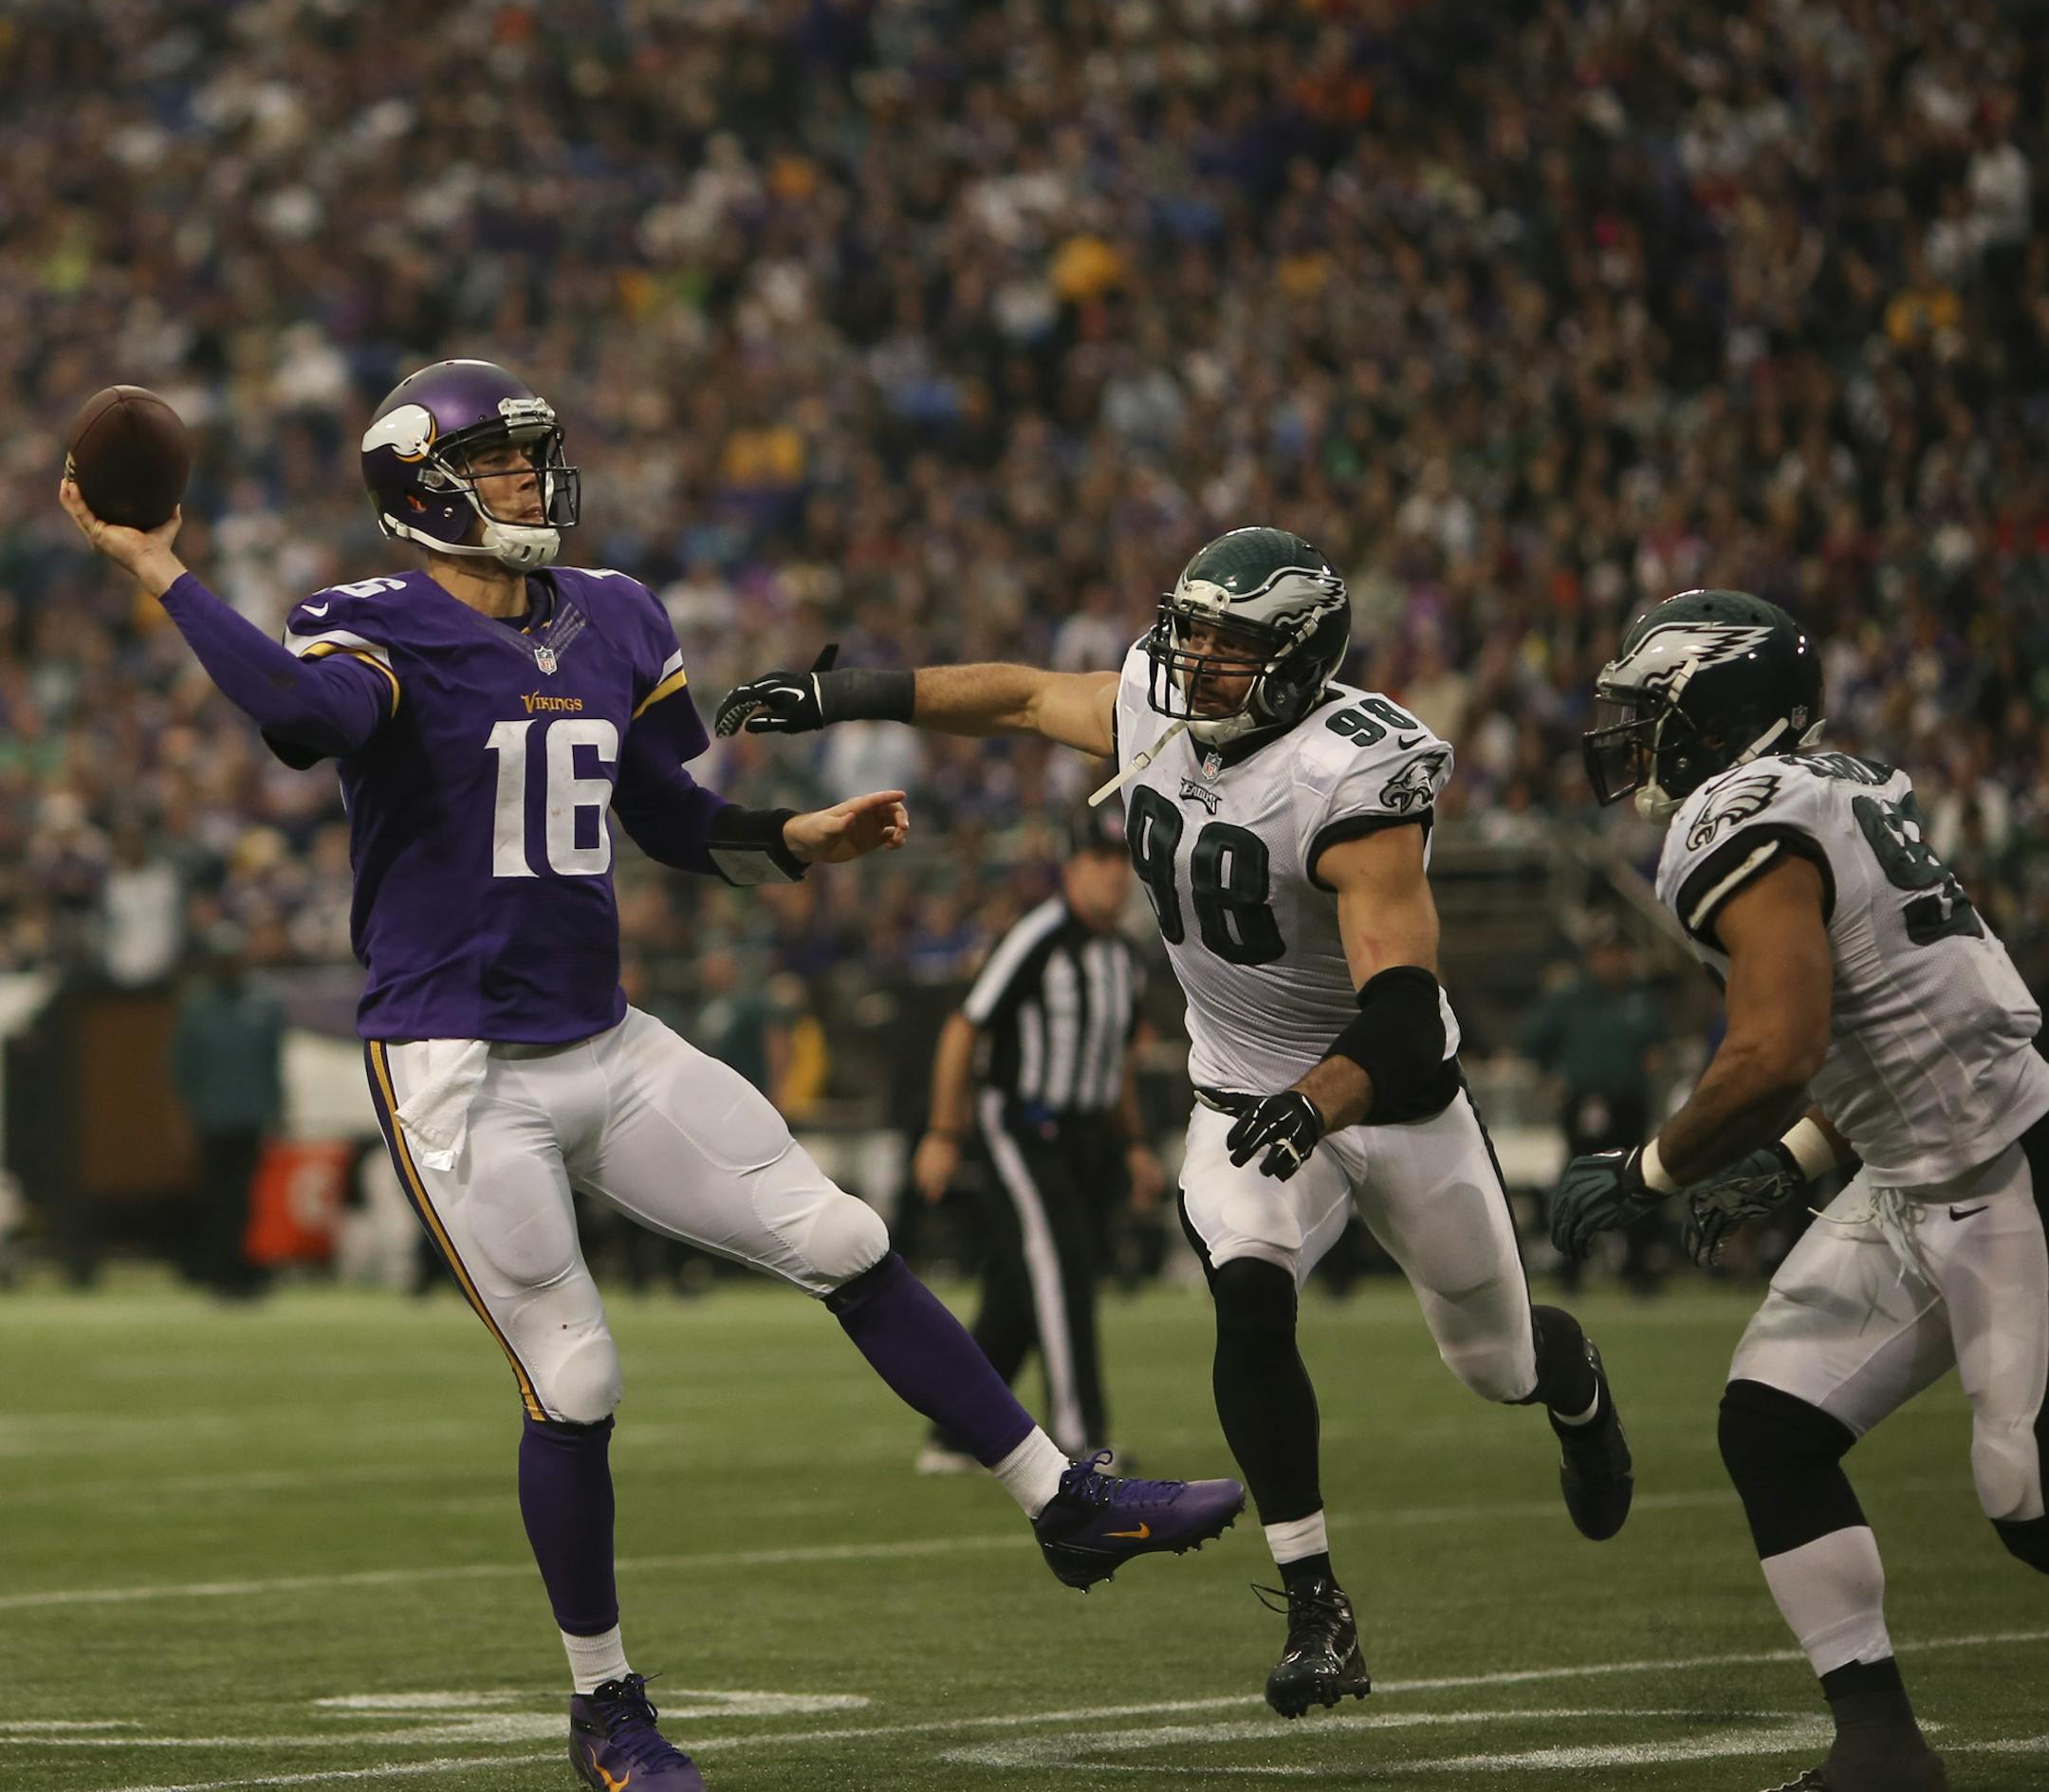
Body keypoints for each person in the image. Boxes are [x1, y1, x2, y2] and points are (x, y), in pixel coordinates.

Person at [57, 359, 1242, 1792]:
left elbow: (667, 813)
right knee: (578, 1376)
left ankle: (1063, 1502)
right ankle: (606, 1706)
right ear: (422, 488)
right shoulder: (369, 622)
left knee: (842, 1234)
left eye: (531, 454)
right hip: (457, 1060)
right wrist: (162, 570)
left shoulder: (612, 612)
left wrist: (791, 839)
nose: (528, 479)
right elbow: (309, 722)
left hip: (601, 1035)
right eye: (498, 461)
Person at [718, 524, 1634, 1719]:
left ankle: (1573, 1385)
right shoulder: (1158, 699)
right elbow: (1019, 695)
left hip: (1389, 1099)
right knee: (1249, 1290)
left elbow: (1406, 1014)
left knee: (1497, 1363)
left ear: (1299, 661)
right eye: (1191, 633)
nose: (1195, 662)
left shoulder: (1351, 773)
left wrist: (1320, 1099)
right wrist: (843, 694)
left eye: (1229, 644)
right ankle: (1315, 1603)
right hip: (1242, 1098)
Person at [1551, 588, 2049, 1792]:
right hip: (1923, 1165)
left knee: (2025, 1486)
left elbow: (1781, 1043)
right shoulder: (1830, 785)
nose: (1632, 736)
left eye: (1651, 709)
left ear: (1715, 715)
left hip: (2007, 1162)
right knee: (1772, 1421)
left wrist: (1651, 1167)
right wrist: (1796, 1156)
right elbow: (1899, 1015)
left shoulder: (1742, 815)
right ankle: (1879, 1748)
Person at [913, 804, 1164, 1469]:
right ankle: (1079, 1435)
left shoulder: (1124, 955)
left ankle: (956, 1432)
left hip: (1087, 1136)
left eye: (1121, 861)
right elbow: (964, 1027)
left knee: (1017, 1288)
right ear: (1071, 868)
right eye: (1099, 860)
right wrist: (944, 1131)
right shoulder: (1038, 936)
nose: (1113, 875)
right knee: (1061, 1264)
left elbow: (1117, 1061)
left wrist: (1134, 1143)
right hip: (1022, 1125)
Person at [1518, 919, 1667, 1292]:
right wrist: (1550, 1076)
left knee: (1636, 1179)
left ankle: (1638, 1266)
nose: (1611, 961)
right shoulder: (1571, 999)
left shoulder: (1640, 997)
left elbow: (1657, 1042)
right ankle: (1571, 1266)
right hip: (1584, 1103)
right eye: (1603, 954)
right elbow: (1533, 1039)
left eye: (1617, 953)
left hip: (1629, 1102)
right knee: (1581, 1179)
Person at [169, 924, 282, 1299]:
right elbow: (183, 1070)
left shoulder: (263, 1004)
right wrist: (185, 1120)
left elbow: (272, 1064)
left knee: (249, 1198)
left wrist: (276, 1110)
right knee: (218, 1199)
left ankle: (249, 1271)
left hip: (251, 1117)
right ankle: (219, 1272)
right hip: (212, 1119)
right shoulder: (198, 1008)